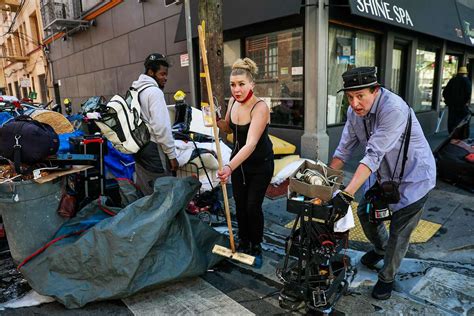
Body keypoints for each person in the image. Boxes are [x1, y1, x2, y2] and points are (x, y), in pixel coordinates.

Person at [328, 66, 436, 300]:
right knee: (366, 215)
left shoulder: (393, 108)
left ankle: (387, 277)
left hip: (414, 178)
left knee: (400, 230)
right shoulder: (353, 112)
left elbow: (373, 155)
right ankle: (380, 249)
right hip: (382, 177)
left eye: (360, 96)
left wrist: (346, 194)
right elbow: (343, 150)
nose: (354, 103)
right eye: (349, 97)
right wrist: (324, 182)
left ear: (375, 90)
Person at [217, 58, 274, 267]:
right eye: (233, 85)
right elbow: (229, 129)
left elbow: (250, 144)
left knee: (252, 206)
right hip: (239, 163)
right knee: (240, 206)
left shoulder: (260, 107)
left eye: (241, 84)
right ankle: (243, 242)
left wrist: (228, 166)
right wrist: (215, 120)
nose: (237, 89)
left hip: (260, 164)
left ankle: (256, 245)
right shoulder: (232, 102)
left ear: (252, 85)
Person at [132, 53, 178, 195]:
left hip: (139, 146)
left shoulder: (135, 89)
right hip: (154, 148)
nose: (165, 78)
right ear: (151, 72)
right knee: (163, 193)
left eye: (166, 74)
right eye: (162, 74)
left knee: (147, 191)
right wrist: (172, 156)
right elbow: (161, 128)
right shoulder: (154, 92)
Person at [442, 66, 472, 133]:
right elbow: (468, 93)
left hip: (452, 104)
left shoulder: (452, 80)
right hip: (462, 104)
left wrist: (448, 101)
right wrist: (466, 102)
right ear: (465, 73)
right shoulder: (466, 81)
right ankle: (461, 133)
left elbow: (445, 92)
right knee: (462, 119)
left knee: (452, 118)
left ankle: (451, 133)